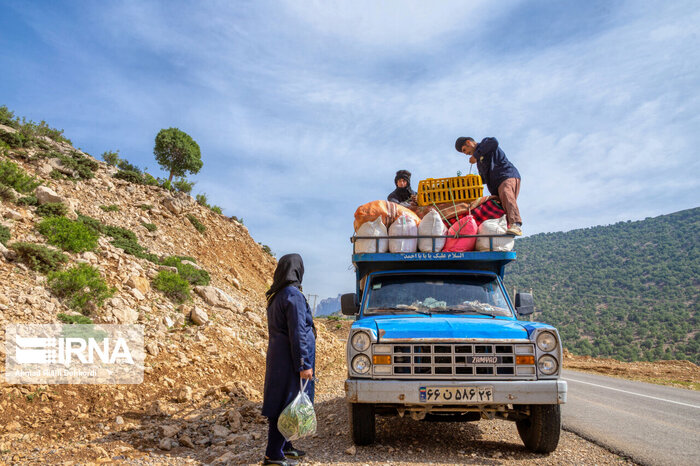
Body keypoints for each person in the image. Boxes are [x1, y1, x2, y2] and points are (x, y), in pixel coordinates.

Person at [262, 254, 316, 466]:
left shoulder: (276, 295)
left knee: (286, 400)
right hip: (291, 359)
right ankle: (273, 454)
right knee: (286, 403)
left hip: (280, 357)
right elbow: (298, 331)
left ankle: (285, 446)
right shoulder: (293, 295)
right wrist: (303, 364)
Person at [455, 137, 523, 236]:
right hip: (495, 187)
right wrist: (470, 182)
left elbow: (494, 142)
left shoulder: (485, 143)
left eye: (464, 150)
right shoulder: (480, 163)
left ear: (469, 142)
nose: (465, 153)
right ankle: (505, 229)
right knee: (496, 206)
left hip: (506, 176)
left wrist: (476, 155)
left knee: (506, 193)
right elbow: (483, 178)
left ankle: (516, 224)